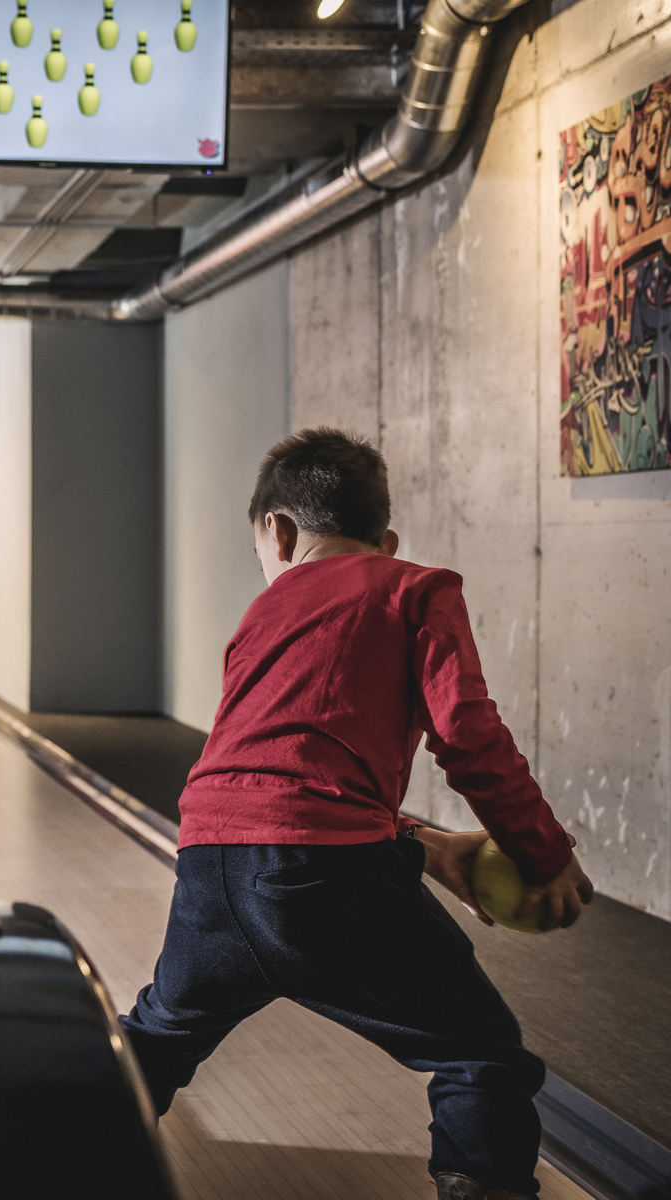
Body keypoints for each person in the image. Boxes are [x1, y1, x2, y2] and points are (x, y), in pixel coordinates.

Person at [121, 429, 593, 1200]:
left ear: (276, 532)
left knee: (161, 1029)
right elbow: (469, 737)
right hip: (325, 877)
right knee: (481, 1056)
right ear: (389, 540)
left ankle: (49, 1143)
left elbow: (274, 772)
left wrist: (419, 842)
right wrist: (543, 853)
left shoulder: (261, 617)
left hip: (208, 864)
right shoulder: (415, 588)